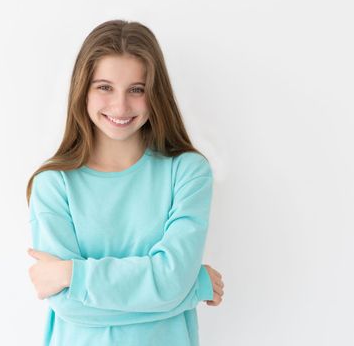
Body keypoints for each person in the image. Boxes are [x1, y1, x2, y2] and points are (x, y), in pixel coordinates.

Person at [25, 19, 224, 346]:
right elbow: (70, 306)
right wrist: (191, 288)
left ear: (154, 94)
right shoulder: (53, 184)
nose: (120, 106)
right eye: (105, 87)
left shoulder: (187, 172)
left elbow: (171, 280)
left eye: (137, 89)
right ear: (83, 90)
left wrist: (71, 275)